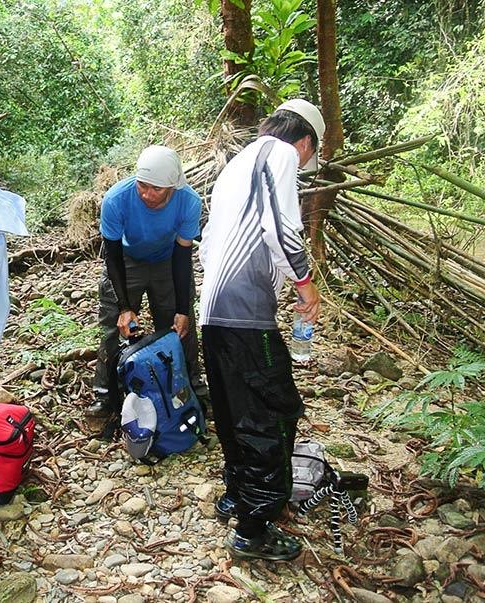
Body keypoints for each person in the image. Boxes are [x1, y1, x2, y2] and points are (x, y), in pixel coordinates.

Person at [198, 99, 324, 561]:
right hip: (246, 314)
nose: (308, 161)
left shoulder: (238, 163)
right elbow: (281, 225)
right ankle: (255, 527)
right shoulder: (281, 154)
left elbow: (212, 242)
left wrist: (272, 285)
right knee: (274, 411)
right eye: (313, 152)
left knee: (234, 409)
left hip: (215, 310)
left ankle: (236, 494)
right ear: (306, 140)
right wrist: (305, 284)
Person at [89, 145, 202, 429]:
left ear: (173, 187)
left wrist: (180, 308)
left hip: (167, 260)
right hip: (127, 260)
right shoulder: (117, 199)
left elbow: (182, 256)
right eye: (142, 186)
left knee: (179, 327)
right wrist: (126, 307)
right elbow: (112, 255)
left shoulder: (188, 202)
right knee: (114, 326)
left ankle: (189, 387)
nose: (147, 194)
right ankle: (106, 394)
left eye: (156, 189)